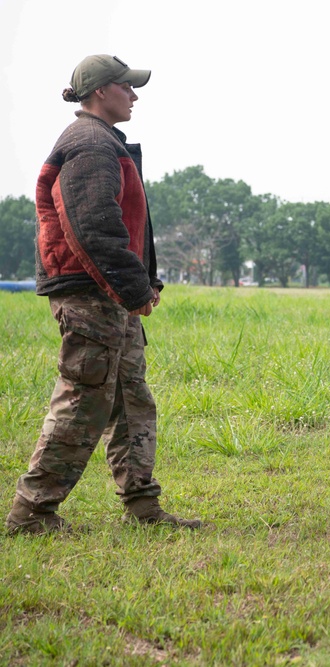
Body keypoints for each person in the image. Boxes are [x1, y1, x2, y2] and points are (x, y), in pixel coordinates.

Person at [5, 55, 200, 534]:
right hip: (92, 294)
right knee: (83, 402)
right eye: (125, 87)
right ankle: (31, 513)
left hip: (110, 293)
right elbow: (93, 228)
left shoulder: (103, 142)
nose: (133, 95)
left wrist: (140, 283)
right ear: (98, 92)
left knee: (132, 400)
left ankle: (143, 507)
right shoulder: (90, 145)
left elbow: (123, 226)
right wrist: (133, 288)